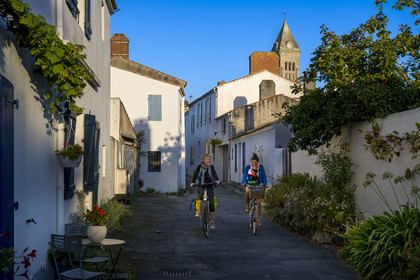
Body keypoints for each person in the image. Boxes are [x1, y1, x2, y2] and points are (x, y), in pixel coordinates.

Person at [190, 154, 220, 229]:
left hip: (210, 184)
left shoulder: (211, 167)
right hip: (201, 184)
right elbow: (195, 174)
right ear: (203, 160)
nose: (209, 161)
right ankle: (199, 211)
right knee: (200, 196)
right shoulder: (199, 166)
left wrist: (217, 180)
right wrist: (193, 182)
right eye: (207, 159)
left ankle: (212, 221)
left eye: (209, 159)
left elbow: (214, 174)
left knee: (212, 204)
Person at [241, 153, 267, 227]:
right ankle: (247, 206)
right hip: (250, 184)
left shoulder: (261, 167)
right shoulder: (248, 167)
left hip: (259, 185)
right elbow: (245, 175)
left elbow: (264, 176)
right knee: (247, 191)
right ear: (251, 161)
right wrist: (243, 182)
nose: (254, 163)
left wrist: (265, 183)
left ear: (257, 162)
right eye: (253, 162)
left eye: (255, 162)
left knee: (259, 202)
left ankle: (258, 219)